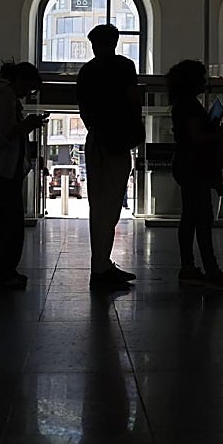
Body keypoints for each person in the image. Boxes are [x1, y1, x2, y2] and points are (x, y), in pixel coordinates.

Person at [77, 23, 143, 291]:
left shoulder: (87, 71)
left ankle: (101, 264)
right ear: (115, 42)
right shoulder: (124, 67)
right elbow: (132, 100)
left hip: (97, 140)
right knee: (112, 205)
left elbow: (85, 110)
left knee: (99, 205)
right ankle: (101, 266)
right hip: (117, 141)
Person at [167, 59, 223, 291]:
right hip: (194, 167)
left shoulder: (182, 104)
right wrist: (216, 132)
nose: (204, 81)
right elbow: (197, 137)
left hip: (187, 166)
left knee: (190, 218)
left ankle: (189, 267)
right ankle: (211, 270)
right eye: (201, 77)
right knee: (202, 219)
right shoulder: (188, 105)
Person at [0, 62, 45, 290]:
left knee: (8, 221)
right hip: (4, 169)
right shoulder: (3, 100)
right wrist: (27, 125)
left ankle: (5, 271)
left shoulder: (7, 99)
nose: (29, 94)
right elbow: (2, 135)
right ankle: (2, 272)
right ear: (21, 81)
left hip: (8, 168)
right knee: (8, 223)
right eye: (30, 88)